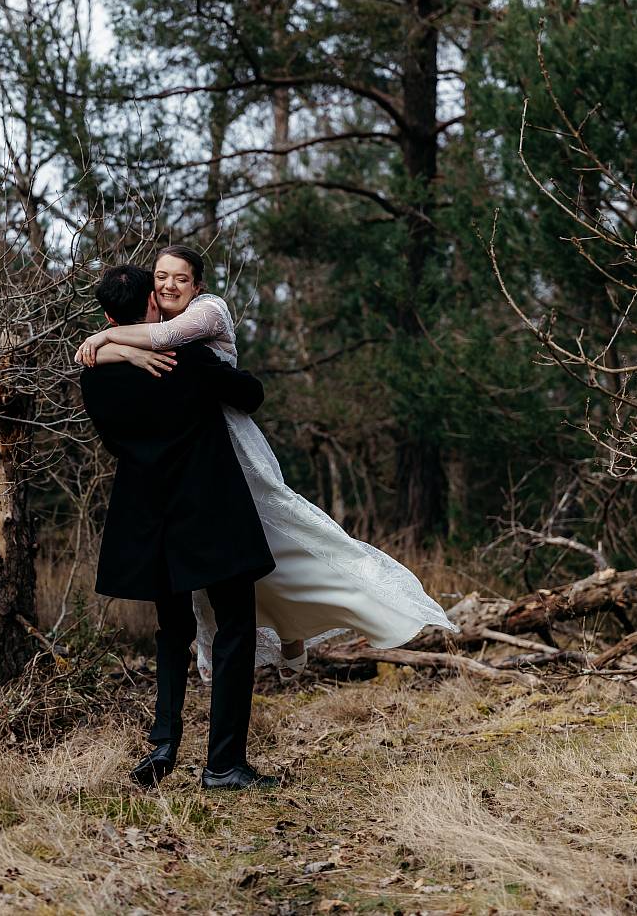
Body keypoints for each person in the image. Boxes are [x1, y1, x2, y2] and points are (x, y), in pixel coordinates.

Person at [76, 246, 459, 682]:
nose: (168, 286)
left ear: (198, 284)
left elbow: (159, 344)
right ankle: (276, 635)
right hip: (199, 456)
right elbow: (93, 357)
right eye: (161, 277)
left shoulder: (209, 311)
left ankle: (350, 606)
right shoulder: (151, 329)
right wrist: (122, 350)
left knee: (284, 533)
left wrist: (106, 338)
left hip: (235, 445)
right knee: (218, 568)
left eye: (180, 278)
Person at [79, 264, 278, 791]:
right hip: (210, 509)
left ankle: (164, 744)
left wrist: (114, 345)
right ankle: (223, 764)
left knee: (173, 632)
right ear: (152, 306)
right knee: (235, 629)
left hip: (148, 518)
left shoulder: (95, 371)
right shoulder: (185, 357)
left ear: (107, 317)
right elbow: (251, 393)